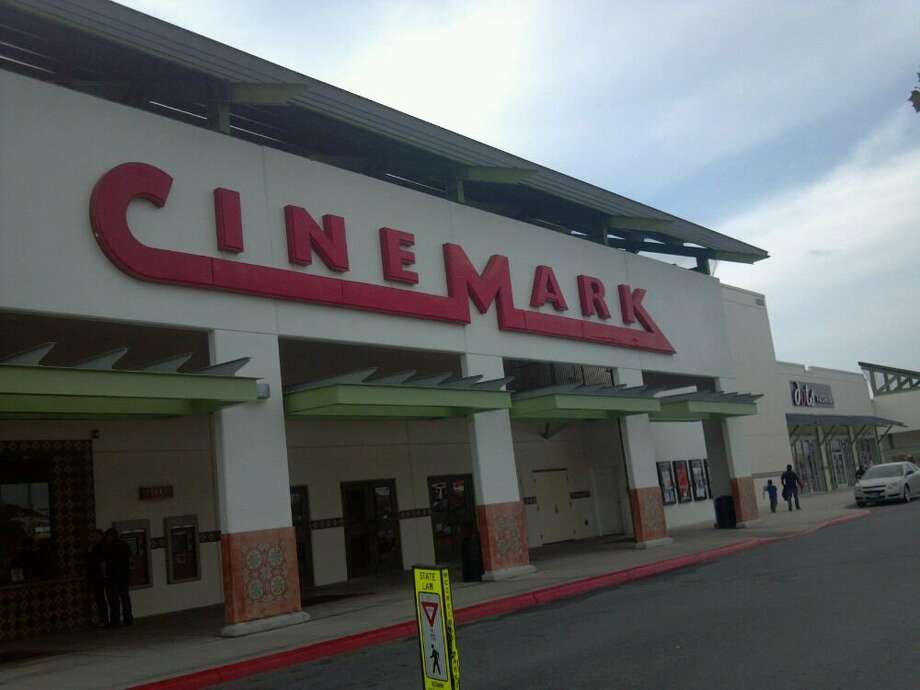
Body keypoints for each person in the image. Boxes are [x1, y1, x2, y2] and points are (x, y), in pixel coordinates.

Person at [103, 528, 133, 627]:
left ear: (110, 536)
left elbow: (106, 561)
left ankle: (115, 621)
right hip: (124, 575)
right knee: (125, 597)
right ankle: (128, 619)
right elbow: (130, 559)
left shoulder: (109, 547)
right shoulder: (125, 545)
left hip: (113, 576)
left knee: (114, 599)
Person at [87, 529, 108, 627]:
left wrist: (103, 573)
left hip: (98, 576)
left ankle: (104, 619)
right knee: (100, 598)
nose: (92, 538)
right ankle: (104, 619)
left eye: (94, 536)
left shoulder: (98, 548)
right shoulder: (100, 547)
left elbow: (102, 562)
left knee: (100, 598)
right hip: (98, 575)